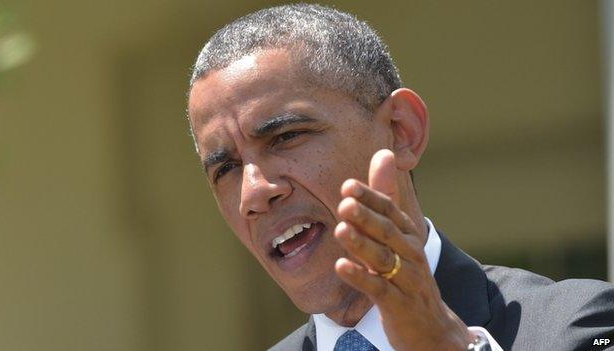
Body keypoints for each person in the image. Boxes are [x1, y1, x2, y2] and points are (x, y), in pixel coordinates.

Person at [186, 4, 614, 350]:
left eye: (286, 136)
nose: (254, 193)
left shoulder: (576, 325)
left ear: (401, 131)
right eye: (226, 168)